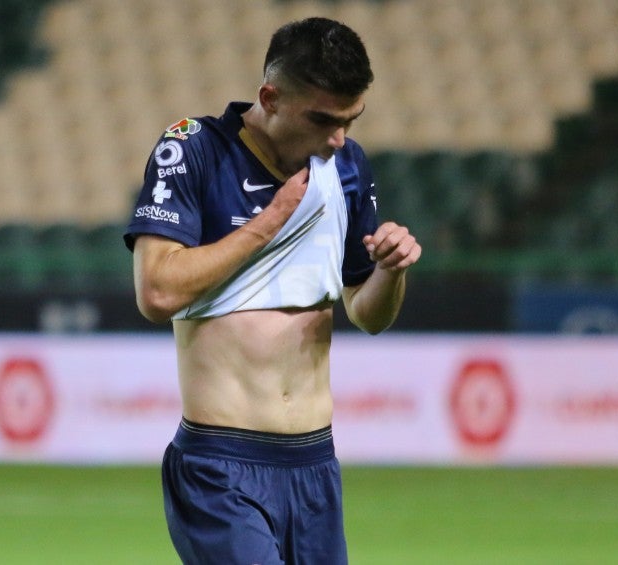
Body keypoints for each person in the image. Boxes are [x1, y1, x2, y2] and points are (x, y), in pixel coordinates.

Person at [123, 17, 420, 564]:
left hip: (315, 466)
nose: (338, 139)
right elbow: (156, 293)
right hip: (220, 465)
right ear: (270, 98)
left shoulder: (347, 166)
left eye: (350, 121)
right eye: (323, 119)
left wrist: (390, 271)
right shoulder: (193, 150)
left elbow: (367, 314)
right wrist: (269, 222)